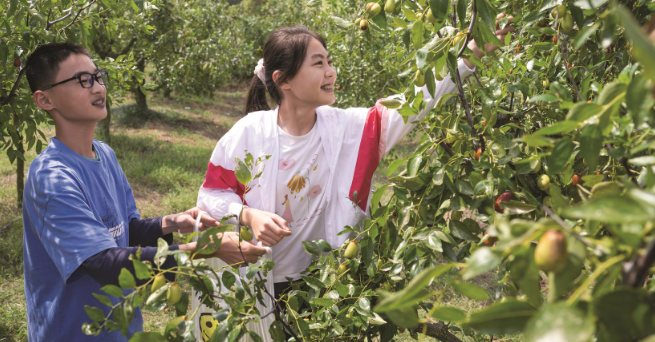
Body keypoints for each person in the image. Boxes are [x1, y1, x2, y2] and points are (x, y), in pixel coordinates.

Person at [196, 24, 511, 303]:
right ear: (284, 80)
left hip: (327, 285)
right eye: (318, 64)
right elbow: (210, 196)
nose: (331, 72)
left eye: (330, 62)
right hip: (260, 285)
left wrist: (470, 55)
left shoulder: (350, 130)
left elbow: (417, 101)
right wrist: (248, 215)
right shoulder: (250, 134)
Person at [22, 42, 267, 342]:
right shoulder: (52, 178)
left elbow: (124, 230)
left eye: (98, 77)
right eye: (82, 80)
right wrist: (201, 251)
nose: (97, 87)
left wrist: (172, 222)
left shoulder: (104, 154)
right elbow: (102, 264)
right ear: (45, 99)